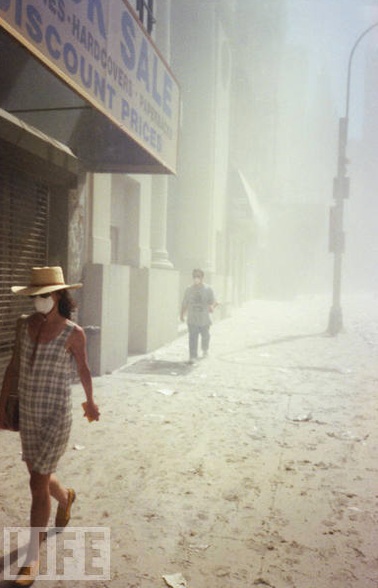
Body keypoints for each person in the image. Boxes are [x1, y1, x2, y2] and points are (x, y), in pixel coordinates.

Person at [0, 266, 100, 586]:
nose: (39, 301)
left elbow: (84, 369)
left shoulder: (74, 333)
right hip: (28, 413)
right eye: (35, 296)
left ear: (57, 296)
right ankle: (66, 497)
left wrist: (90, 402)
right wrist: (2, 403)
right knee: (37, 476)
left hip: (56, 416)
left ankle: (33, 557)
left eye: (44, 296)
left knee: (36, 483)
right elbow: (14, 366)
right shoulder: (23, 325)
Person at [180, 268, 217, 363]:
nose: (196, 278)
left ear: (202, 277)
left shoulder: (208, 289)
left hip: (204, 319)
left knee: (205, 336)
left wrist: (212, 307)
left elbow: (214, 301)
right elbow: (185, 303)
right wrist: (182, 314)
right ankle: (193, 356)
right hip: (192, 318)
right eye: (194, 276)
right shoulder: (189, 289)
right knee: (192, 337)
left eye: (198, 276)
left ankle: (205, 350)